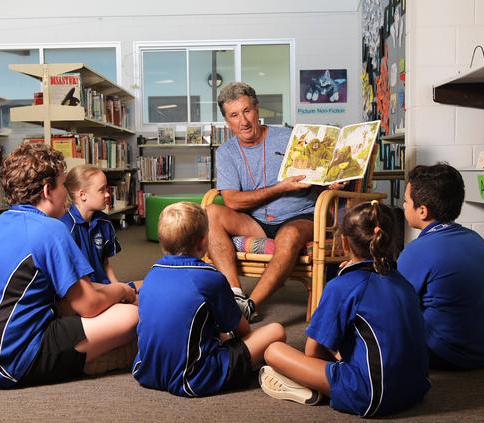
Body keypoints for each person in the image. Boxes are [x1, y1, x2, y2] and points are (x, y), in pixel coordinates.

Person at [0, 143, 138, 389]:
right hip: (6, 363)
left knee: (79, 303)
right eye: (62, 185)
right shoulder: (51, 229)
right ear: (49, 190)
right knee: (130, 316)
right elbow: (89, 305)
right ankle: (94, 359)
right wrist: (123, 291)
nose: (66, 194)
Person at [258, 200, 430, 417]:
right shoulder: (403, 283)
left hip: (372, 396)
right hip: (415, 389)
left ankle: (310, 387)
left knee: (274, 351)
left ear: (344, 243)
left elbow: (313, 351)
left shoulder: (342, 286)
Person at [207, 81, 345, 321]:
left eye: (247, 111)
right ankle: (235, 294)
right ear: (227, 121)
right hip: (256, 221)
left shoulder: (291, 137)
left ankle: (249, 307)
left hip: (301, 216)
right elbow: (232, 202)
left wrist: (332, 180)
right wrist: (280, 187)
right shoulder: (226, 152)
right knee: (210, 212)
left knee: (289, 235)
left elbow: (319, 174)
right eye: (234, 115)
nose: (244, 121)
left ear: (258, 109)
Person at [132, 202, 286, 397]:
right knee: (275, 331)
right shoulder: (210, 277)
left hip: (146, 372)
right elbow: (242, 330)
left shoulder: (152, 274)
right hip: (193, 378)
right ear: (204, 241)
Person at [397, 163, 484, 370]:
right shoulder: (478, 240)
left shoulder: (418, 250)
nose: (403, 206)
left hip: (447, 355)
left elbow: (392, 306)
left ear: (422, 211)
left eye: (405, 201)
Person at [60, 164, 137, 294]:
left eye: (107, 189)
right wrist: (119, 291)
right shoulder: (65, 228)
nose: (108, 194)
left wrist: (118, 287)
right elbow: (71, 280)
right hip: (83, 293)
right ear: (83, 195)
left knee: (148, 288)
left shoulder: (104, 221)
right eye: (102, 190)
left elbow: (105, 264)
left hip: (104, 287)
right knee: (135, 308)